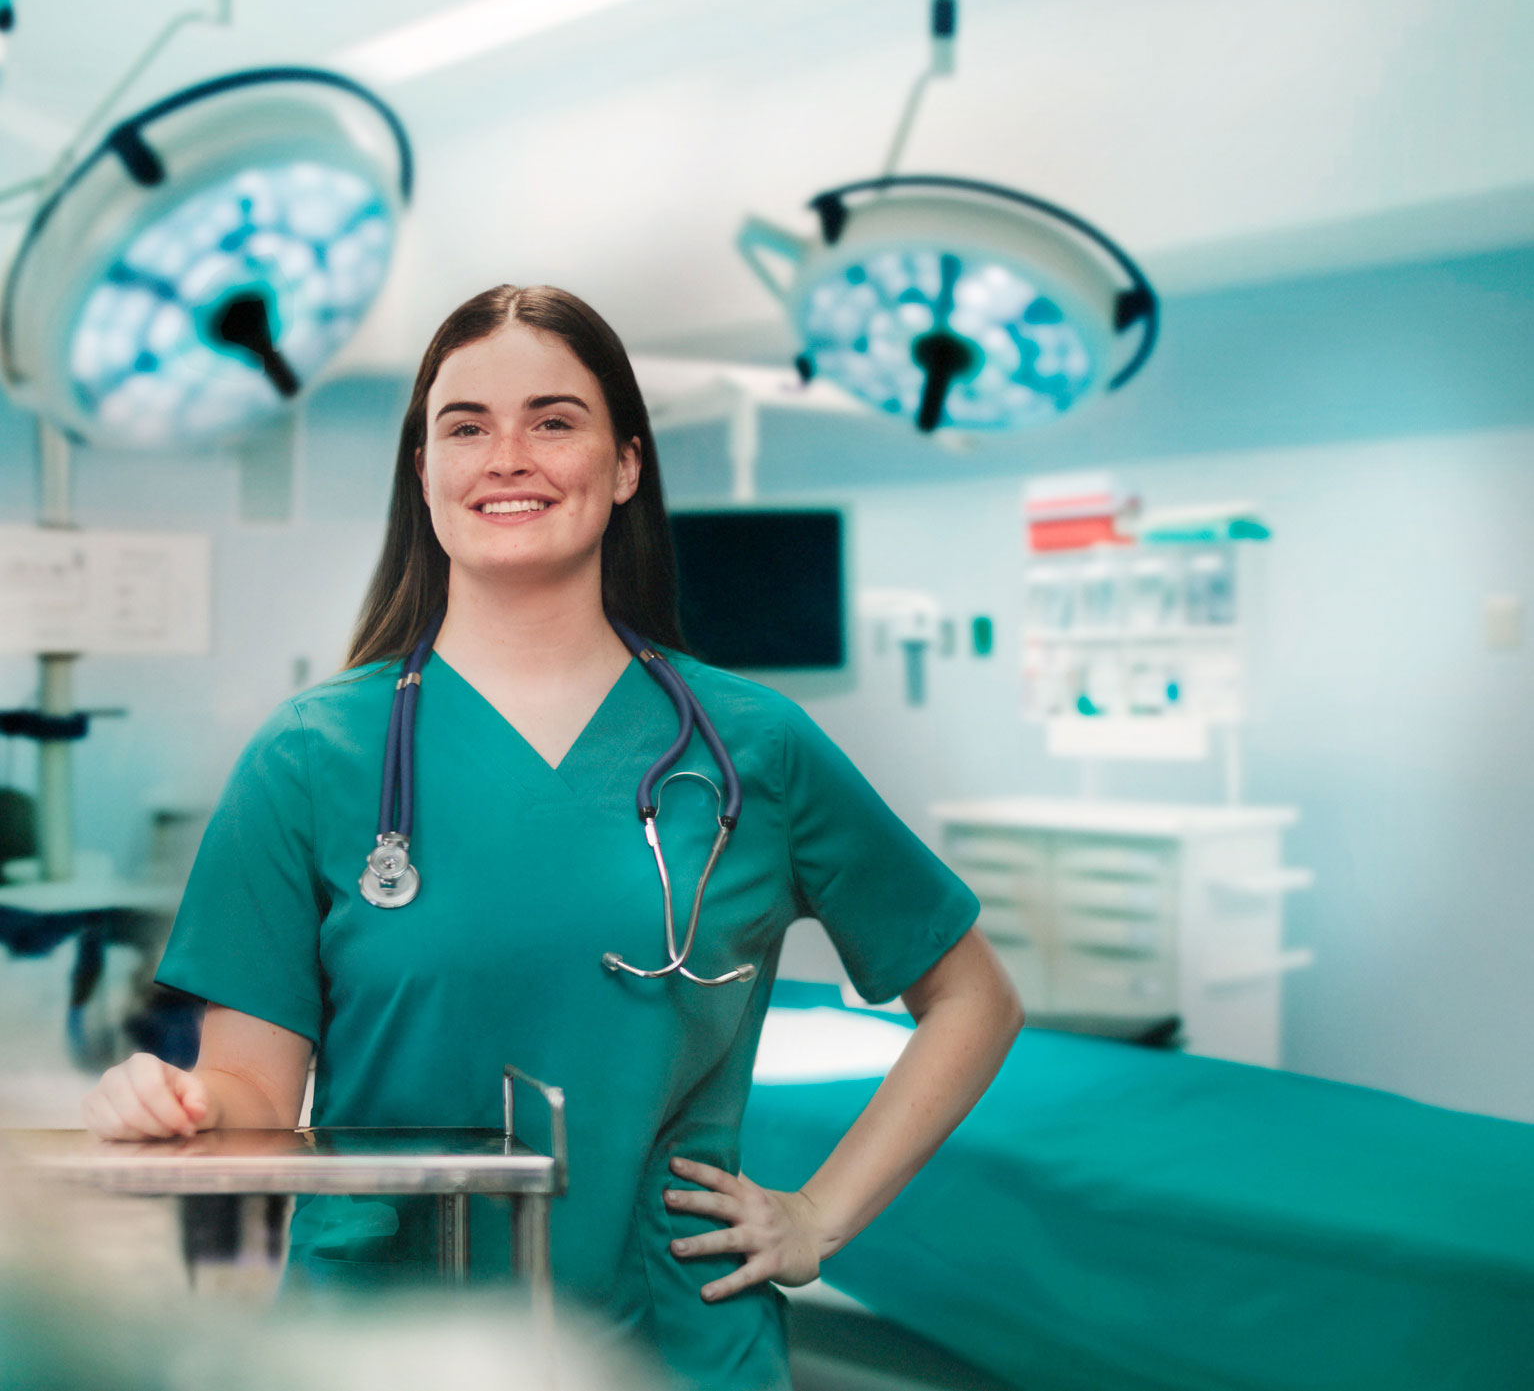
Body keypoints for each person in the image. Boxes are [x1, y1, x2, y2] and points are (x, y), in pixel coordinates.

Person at [82, 284, 1023, 1390]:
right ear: (424, 472)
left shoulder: (752, 748)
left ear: (624, 465)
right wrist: (171, 1105)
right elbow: (251, 1095)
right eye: (465, 424)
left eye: (554, 418)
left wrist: (819, 1213)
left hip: (671, 1346)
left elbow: (974, 997)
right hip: (381, 1349)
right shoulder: (310, 757)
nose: (507, 454)